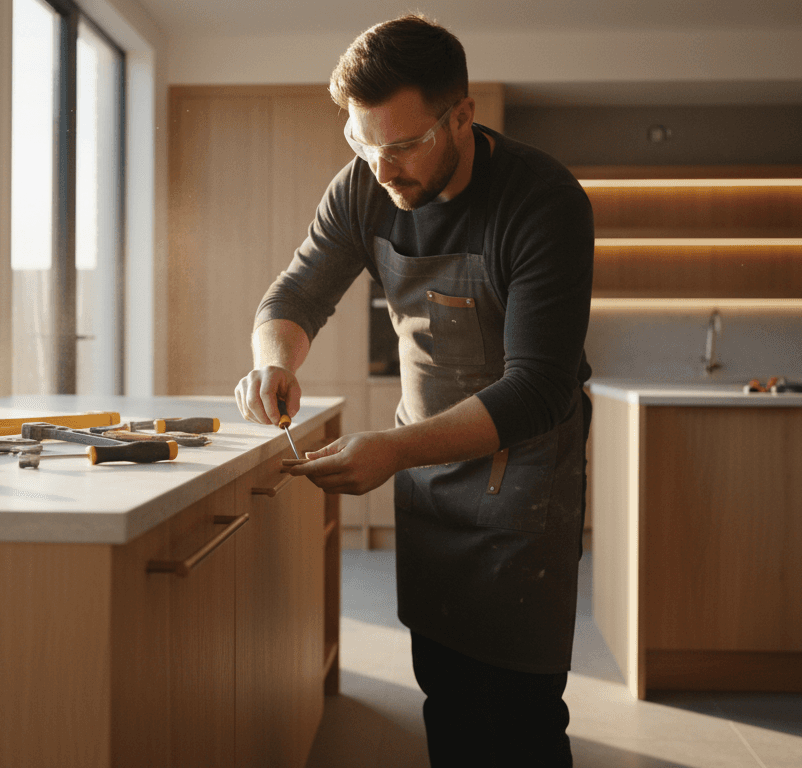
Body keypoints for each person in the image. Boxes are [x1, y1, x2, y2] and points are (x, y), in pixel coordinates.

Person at [234, 14, 593, 767]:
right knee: (447, 694)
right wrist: (275, 362)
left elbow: (537, 388)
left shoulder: (542, 201)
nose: (382, 168)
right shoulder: (363, 187)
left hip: (524, 487)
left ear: (461, 115)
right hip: (429, 474)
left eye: (402, 145)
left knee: (519, 712)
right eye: (363, 145)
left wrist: (393, 451)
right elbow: (292, 298)